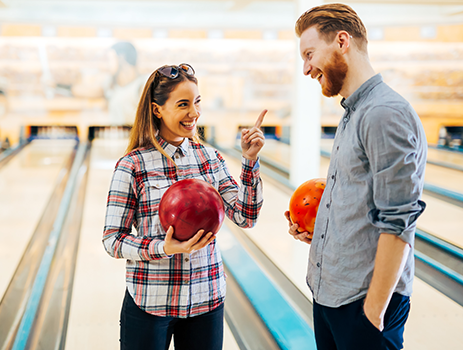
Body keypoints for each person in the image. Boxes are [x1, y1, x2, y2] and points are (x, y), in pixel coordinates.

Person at [285, 4, 427, 350]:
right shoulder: (355, 111)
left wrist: (373, 314)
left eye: (309, 54)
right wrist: (322, 235)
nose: (305, 68)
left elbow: (398, 222)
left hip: (362, 305)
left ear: (342, 41)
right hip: (333, 296)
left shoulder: (382, 113)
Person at [103, 63, 266, 350]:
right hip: (151, 302)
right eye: (183, 104)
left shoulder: (209, 158)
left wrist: (250, 161)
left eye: (197, 102)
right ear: (157, 110)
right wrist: (164, 248)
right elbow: (112, 241)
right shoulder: (133, 165)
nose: (194, 113)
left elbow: (245, 216)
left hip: (206, 299)